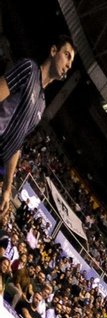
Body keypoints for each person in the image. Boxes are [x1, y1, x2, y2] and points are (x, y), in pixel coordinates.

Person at [0, 32, 75, 212]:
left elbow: (16, 146)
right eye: (67, 55)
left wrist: (7, 188)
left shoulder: (41, 105)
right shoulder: (29, 69)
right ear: (53, 50)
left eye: (71, 62)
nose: (69, 64)